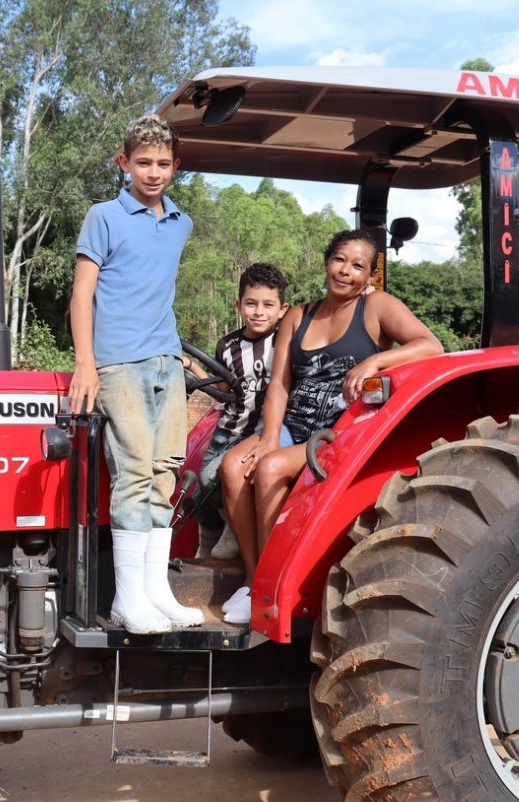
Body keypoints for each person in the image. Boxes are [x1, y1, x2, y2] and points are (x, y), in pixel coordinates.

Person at [218, 228, 444, 624]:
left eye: (358, 266)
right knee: (233, 467)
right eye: (340, 260)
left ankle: (276, 586)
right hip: (293, 426)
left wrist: (374, 361)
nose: (346, 271)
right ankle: (256, 579)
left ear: (370, 276)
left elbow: (431, 345)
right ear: (327, 261)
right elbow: (281, 383)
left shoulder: (376, 308)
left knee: (269, 469)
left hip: (341, 434)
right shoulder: (297, 315)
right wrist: (270, 435)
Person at [68, 115, 201, 634]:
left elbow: (155, 291)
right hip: (119, 362)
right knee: (134, 474)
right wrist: (86, 362)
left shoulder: (180, 223)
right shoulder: (103, 216)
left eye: (163, 164)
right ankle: (127, 599)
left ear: (176, 167)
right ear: (123, 163)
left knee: (165, 477)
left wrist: (177, 353)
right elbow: (83, 294)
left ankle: (155, 591)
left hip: (167, 361)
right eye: (143, 162)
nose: (153, 172)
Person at [185, 263, 290, 561]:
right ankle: (208, 542)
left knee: (222, 477)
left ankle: (234, 527)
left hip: (261, 430)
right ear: (238, 305)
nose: (259, 312)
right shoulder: (228, 345)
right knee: (202, 485)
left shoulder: (284, 341)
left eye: (268, 305)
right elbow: (223, 386)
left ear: (282, 309)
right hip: (229, 426)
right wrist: (192, 367)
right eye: (251, 304)